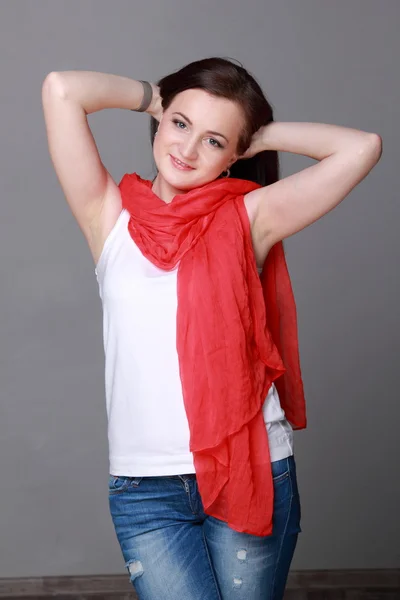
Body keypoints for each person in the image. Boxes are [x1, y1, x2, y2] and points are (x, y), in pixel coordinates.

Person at [41, 57, 382, 600]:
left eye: (214, 141)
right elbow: (61, 90)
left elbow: (362, 147)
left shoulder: (250, 218)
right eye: (180, 124)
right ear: (161, 121)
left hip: (252, 468)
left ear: (234, 156)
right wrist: (155, 96)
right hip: (145, 488)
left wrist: (255, 133)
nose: (188, 149)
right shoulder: (108, 218)